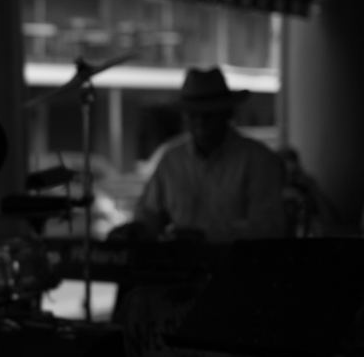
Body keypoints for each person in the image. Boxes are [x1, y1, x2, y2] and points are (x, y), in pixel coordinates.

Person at [111, 67, 288, 244]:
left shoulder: (258, 161)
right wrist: (136, 229)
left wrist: (207, 237)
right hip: (179, 268)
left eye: (208, 115)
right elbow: (150, 215)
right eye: (193, 115)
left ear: (227, 114)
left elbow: (270, 228)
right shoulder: (171, 161)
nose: (200, 123)